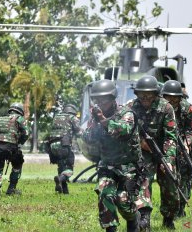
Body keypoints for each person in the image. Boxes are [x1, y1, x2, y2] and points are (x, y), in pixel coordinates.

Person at [82, 79, 144, 232]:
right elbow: (88, 138)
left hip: (129, 165)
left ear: (112, 98)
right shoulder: (96, 116)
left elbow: (124, 131)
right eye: (96, 99)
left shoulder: (126, 113)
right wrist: (95, 124)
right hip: (108, 164)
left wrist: (103, 121)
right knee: (105, 193)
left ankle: (133, 218)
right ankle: (110, 229)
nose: (100, 103)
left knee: (123, 200)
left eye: (103, 99)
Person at [129, 75, 180, 230]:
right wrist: (140, 143)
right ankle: (144, 218)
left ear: (156, 93)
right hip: (143, 152)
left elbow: (171, 136)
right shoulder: (131, 107)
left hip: (163, 150)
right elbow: (127, 133)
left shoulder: (166, 108)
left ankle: (169, 217)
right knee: (143, 179)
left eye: (149, 94)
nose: (145, 98)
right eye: (141, 94)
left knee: (170, 185)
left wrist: (168, 160)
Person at [161, 80, 192, 218]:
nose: (172, 100)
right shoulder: (160, 107)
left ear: (180, 97)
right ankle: (170, 209)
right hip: (166, 145)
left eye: (175, 97)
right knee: (170, 179)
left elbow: (191, 130)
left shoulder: (187, 108)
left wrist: (187, 143)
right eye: (168, 97)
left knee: (186, 177)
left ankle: (181, 206)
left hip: (185, 146)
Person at [0, 102, 29, 196]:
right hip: (11, 148)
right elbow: (26, 134)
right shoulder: (20, 119)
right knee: (17, 165)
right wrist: (19, 142)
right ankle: (11, 189)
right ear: (20, 111)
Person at [47, 104, 81, 194]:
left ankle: (64, 191)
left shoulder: (56, 117)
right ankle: (60, 178)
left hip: (52, 146)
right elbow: (79, 132)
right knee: (69, 168)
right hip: (63, 145)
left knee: (61, 167)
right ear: (73, 111)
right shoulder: (72, 118)